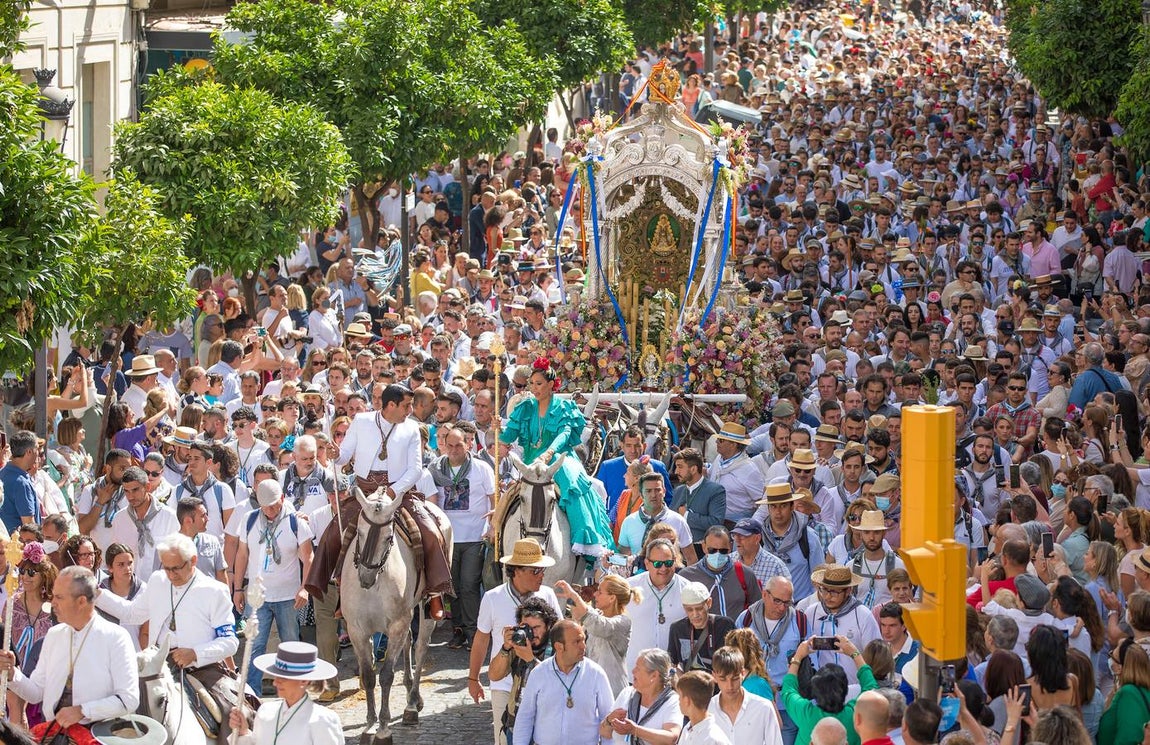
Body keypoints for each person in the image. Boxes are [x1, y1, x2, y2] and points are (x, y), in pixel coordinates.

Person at [500, 358, 615, 559]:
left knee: (570, 480)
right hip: (531, 462)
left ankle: (585, 538)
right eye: (532, 384)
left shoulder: (564, 406)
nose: (534, 389)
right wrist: (499, 429)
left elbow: (565, 433)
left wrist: (550, 453)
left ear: (551, 385)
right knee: (508, 495)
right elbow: (509, 436)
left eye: (539, 384)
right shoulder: (525, 406)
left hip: (561, 458)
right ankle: (496, 534)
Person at [0, 566, 139, 728]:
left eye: (59, 597)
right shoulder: (54, 635)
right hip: (55, 733)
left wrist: (83, 710)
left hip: (98, 734)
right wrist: (12, 673)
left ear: (81, 601)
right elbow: (36, 693)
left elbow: (129, 699)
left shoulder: (116, 637)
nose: (53, 603)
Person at [469, 538, 564, 744]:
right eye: (535, 571)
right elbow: (481, 638)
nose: (542, 575)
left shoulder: (547, 595)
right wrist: (473, 678)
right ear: (517, 571)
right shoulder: (492, 598)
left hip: (542, 684)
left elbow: (560, 636)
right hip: (503, 684)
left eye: (542, 570)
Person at [233, 479, 314, 692]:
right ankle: (251, 693)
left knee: (290, 644)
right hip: (257, 595)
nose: (271, 509)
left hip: (288, 596)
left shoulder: (295, 522)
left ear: (283, 498)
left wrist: (304, 587)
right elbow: (242, 555)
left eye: (275, 504)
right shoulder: (249, 520)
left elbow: (308, 557)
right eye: (267, 505)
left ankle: (296, 689)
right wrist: (238, 588)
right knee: (254, 645)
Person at [428, 426, 495, 650]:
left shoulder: (481, 468)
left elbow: (494, 497)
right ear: (444, 446)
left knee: (468, 584)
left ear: (468, 444)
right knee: (453, 585)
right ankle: (458, 630)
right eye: (450, 445)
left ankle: (473, 630)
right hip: (448, 536)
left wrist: (492, 525)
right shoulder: (435, 469)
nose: (455, 449)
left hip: (475, 534)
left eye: (459, 445)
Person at [511, 619, 614, 745]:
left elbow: (608, 720)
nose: (583, 646)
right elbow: (525, 717)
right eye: (577, 642)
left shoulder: (596, 674)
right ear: (559, 646)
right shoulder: (539, 674)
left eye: (583, 640)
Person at [227, 642, 341, 745]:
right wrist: (243, 732)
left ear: (304, 681)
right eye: (276, 676)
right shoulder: (265, 711)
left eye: (283, 678)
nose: (275, 682)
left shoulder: (324, 720)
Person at [782, 635, 877, 745]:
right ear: (845, 690)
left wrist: (798, 657)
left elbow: (788, 689)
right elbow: (871, 689)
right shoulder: (855, 716)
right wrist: (855, 653)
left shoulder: (805, 714)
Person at [489, 596, 560, 744]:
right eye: (526, 627)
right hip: (516, 725)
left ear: (548, 626)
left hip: (546, 729)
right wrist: (506, 647)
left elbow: (558, 685)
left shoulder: (559, 647)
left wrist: (530, 660)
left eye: (536, 628)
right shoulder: (520, 644)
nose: (531, 633)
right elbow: (494, 675)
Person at [5, 542, 58, 727]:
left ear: (44, 575)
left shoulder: (54, 607)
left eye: (31, 572)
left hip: (41, 675)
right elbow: (5, 637)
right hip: (15, 671)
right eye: (22, 572)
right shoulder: (12, 603)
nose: (25, 577)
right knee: (15, 720)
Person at [806, 565, 882, 695]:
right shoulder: (811, 612)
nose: (828, 597)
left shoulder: (863, 615)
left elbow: (876, 656)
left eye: (834, 592)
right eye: (824, 590)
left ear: (848, 591)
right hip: (818, 694)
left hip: (853, 693)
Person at [554, 575, 635, 696]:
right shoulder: (597, 614)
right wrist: (572, 599)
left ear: (612, 598)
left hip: (612, 692)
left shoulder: (623, 622)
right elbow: (583, 615)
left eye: (600, 592)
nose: (595, 594)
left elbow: (598, 625)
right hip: (590, 687)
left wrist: (574, 596)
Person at [625, 538, 691, 674]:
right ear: (647, 563)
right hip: (635, 672)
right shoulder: (629, 587)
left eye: (668, 563)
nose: (663, 568)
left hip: (674, 674)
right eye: (657, 564)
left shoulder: (688, 589)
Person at [600, 648, 682, 744]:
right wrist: (609, 720)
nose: (633, 671)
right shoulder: (627, 694)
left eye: (638, 668)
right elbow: (604, 733)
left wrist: (635, 730)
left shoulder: (673, 701)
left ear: (654, 676)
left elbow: (671, 738)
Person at [109, 466, 180, 574]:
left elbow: (177, 555)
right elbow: (116, 555)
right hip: (129, 586)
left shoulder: (169, 517)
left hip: (159, 584)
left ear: (147, 486)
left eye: (135, 490)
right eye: (126, 491)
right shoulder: (119, 519)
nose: (130, 496)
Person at [708, 645, 784, 744]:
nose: (729, 686)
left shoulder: (764, 708)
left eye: (735, 678)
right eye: (723, 679)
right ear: (714, 676)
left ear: (743, 673)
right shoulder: (708, 709)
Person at [667, 581, 737, 673]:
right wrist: (681, 682)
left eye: (699, 608)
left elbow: (737, 661)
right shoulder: (677, 628)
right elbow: (671, 664)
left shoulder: (725, 625)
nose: (695, 614)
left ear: (709, 603)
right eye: (689, 610)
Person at [672, 447, 727, 547]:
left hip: (702, 550)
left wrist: (687, 516)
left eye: (680, 467)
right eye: (676, 467)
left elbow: (716, 523)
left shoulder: (715, 491)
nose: (676, 472)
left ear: (693, 469)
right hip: (677, 548)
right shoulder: (678, 491)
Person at [1099, 638, 1150, 745]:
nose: (1110, 660)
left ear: (1119, 668)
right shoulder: (1137, 690)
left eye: (1112, 656)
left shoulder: (1129, 693)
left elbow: (1128, 738)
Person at [676, 671, 731, 745]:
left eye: (680, 696)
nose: (678, 700)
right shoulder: (687, 729)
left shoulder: (714, 739)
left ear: (687, 701)